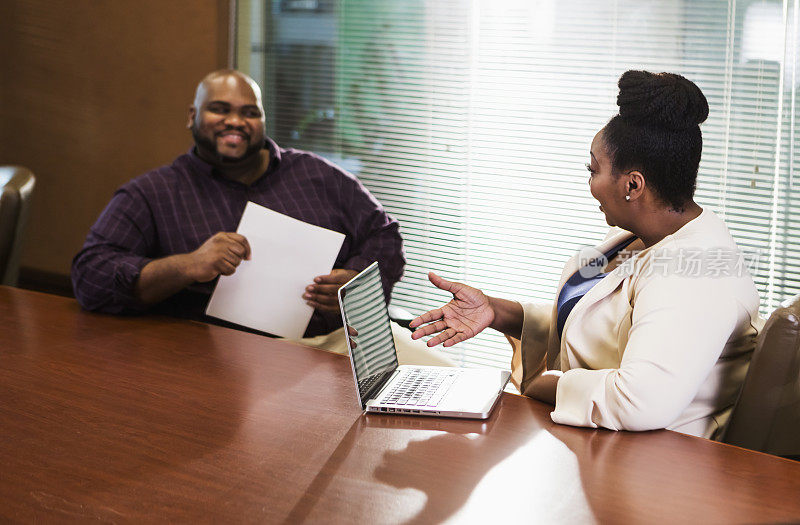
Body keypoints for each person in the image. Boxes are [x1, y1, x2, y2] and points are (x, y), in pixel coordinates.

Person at [409, 70, 762, 439]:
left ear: (632, 185)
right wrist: (496, 312)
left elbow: (639, 401)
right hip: (599, 443)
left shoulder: (696, 274)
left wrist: (547, 385)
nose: (589, 184)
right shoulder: (638, 238)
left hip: (654, 470)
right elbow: (599, 327)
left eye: (592, 169)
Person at [71, 70, 405, 339]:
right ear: (192, 116)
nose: (235, 121)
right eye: (220, 109)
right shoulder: (152, 193)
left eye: (250, 112)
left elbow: (384, 234)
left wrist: (354, 282)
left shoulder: (318, 175)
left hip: (328, 348)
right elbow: (90, 277)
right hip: (211, 360)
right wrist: (188, 266)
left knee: (435, 389)